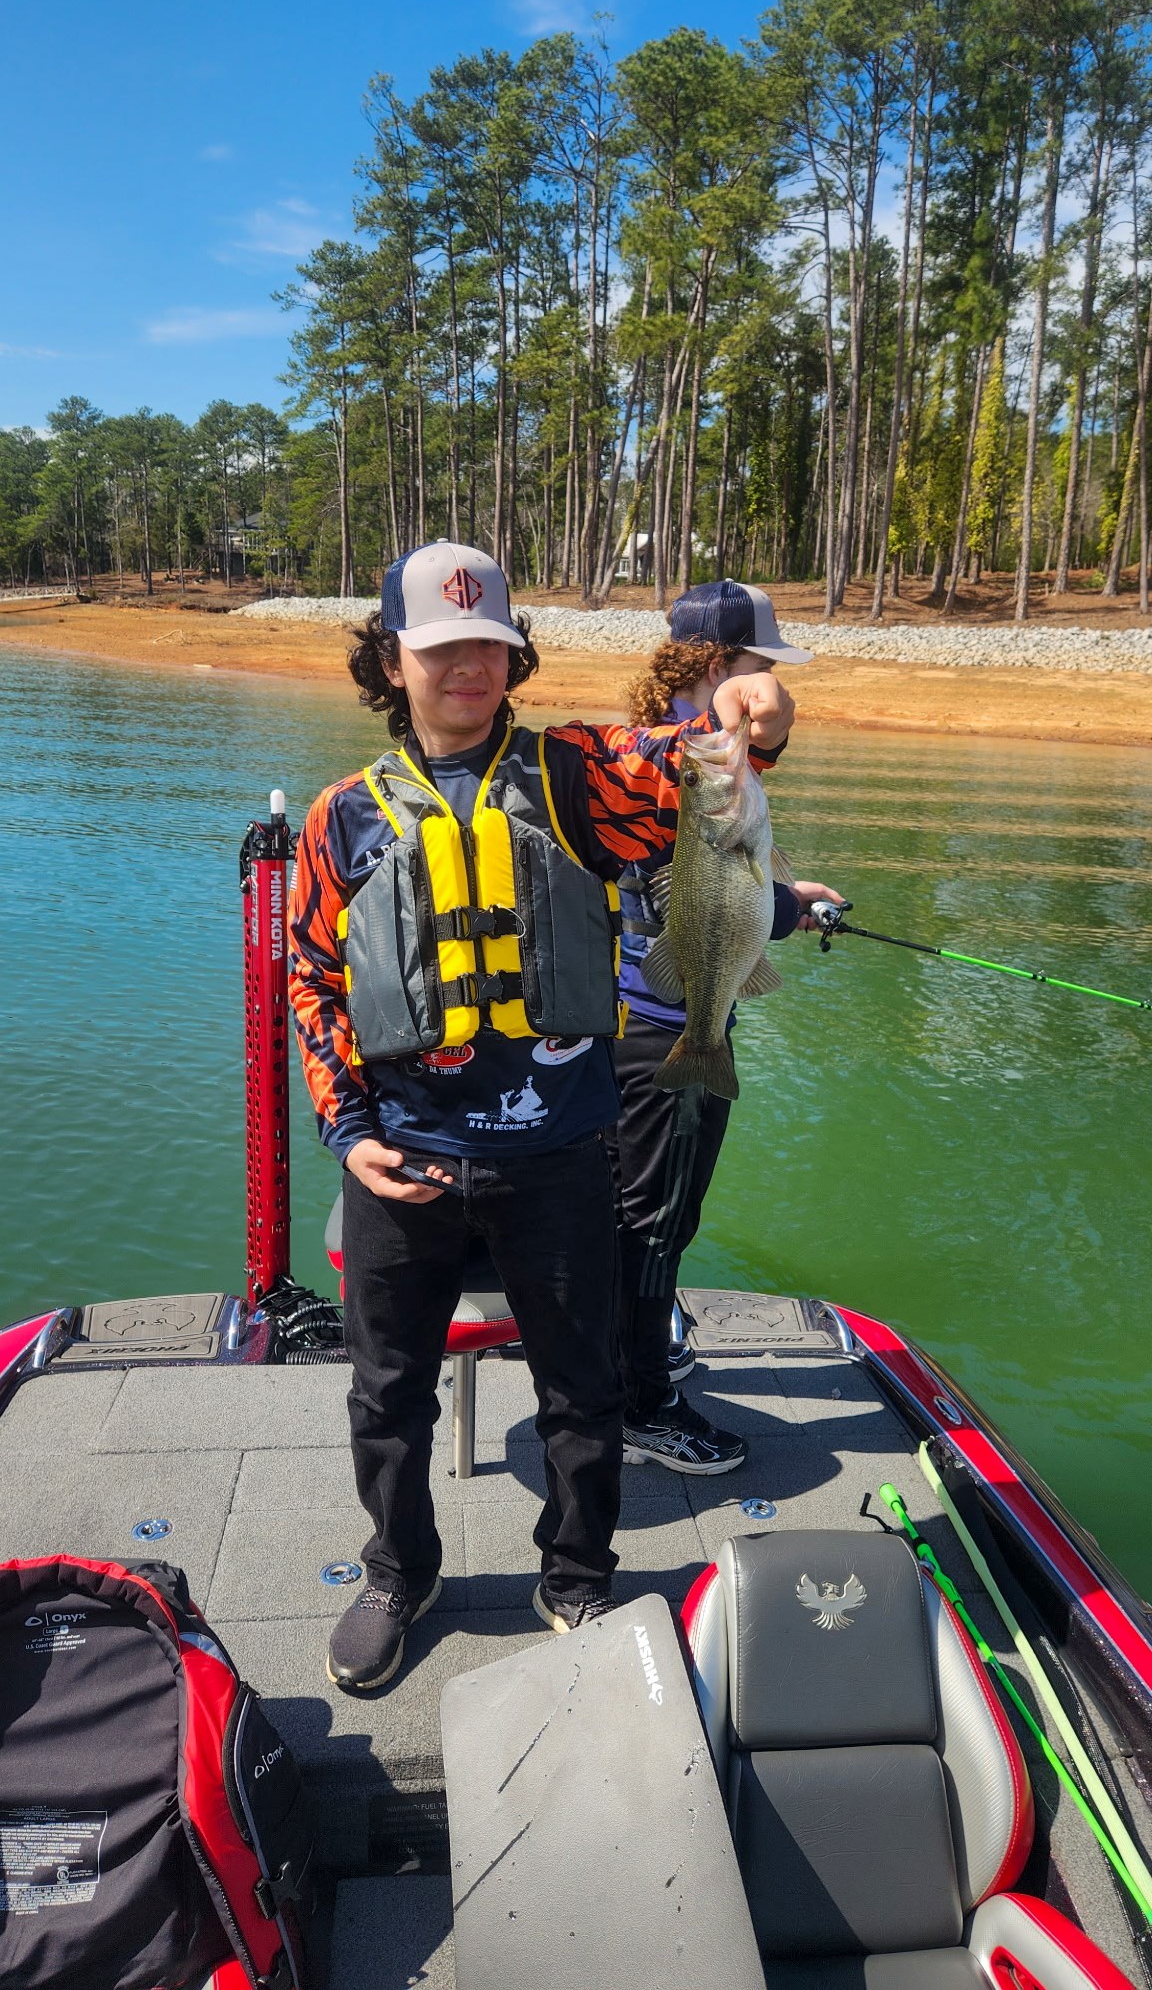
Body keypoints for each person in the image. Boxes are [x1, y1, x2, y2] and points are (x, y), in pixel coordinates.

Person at [287, 542, 799, 1694]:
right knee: (386, 1395)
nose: (468, 665)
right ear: (392, 660)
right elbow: (313, 979)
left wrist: (750, 715)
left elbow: (681, 765)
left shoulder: (575, 777)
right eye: (440, 646)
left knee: (583, 1387)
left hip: (560, 1150)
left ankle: (575, 1573)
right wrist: (348, 1131)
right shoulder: (341, 817)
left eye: (489, 643)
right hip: (406, 1160)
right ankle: (397, 1571)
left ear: (513, 656)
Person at [607, 579, 844, 1476]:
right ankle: (640, 1406)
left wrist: (783, 904)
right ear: (716, 665)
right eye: (755, 662)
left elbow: (714, 886)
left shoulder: (680, 750)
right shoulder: (673, 760)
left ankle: (636, 1350)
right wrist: (778, 905)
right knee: (655, 1223)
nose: (768, 681)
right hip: (665, 1033)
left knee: (649, 1215)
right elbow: (672, 886)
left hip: (639, 1019)